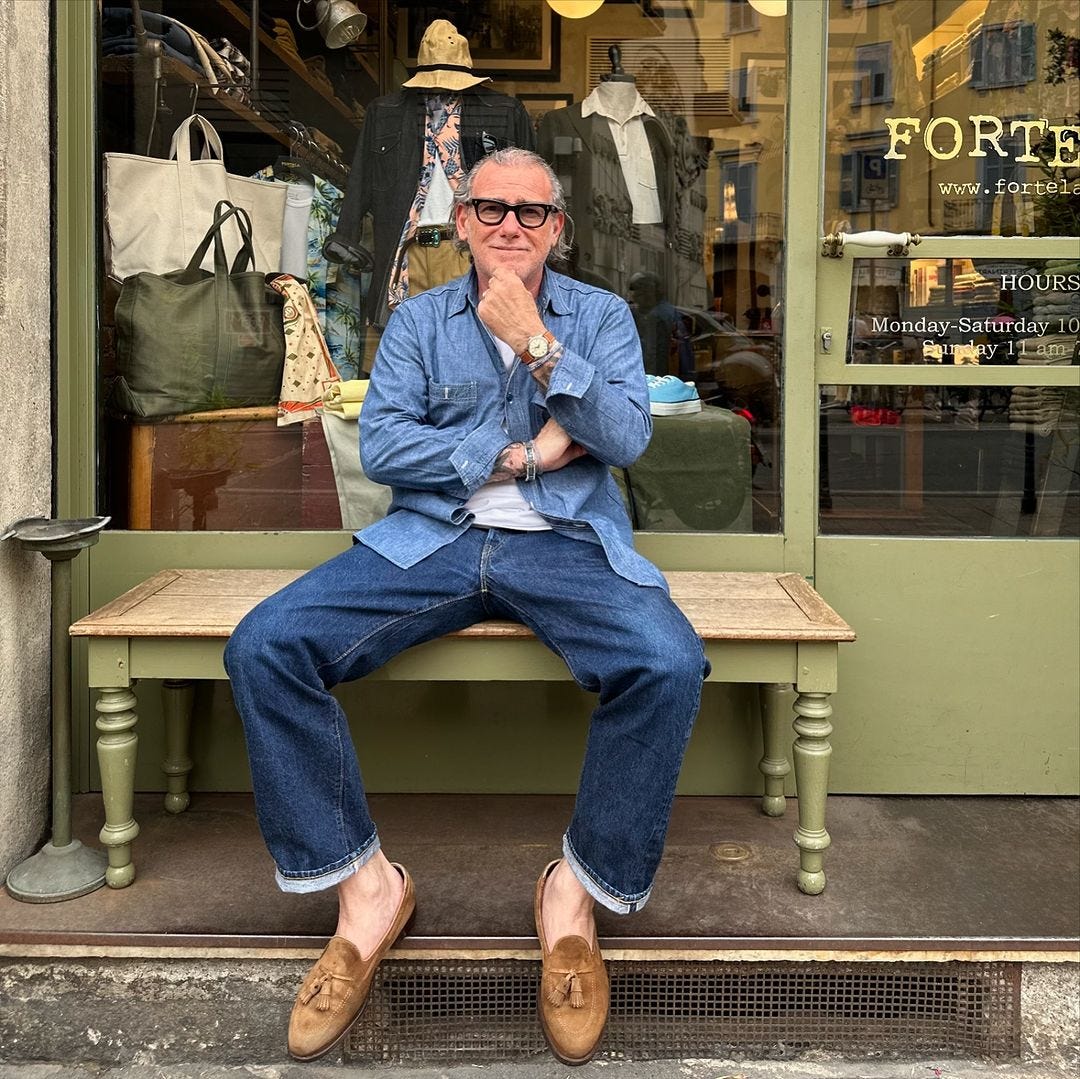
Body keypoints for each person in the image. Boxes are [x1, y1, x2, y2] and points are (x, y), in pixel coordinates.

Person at [223, 147, 709, 1066]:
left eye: (532, 213)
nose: (511, 227)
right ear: (463, 223)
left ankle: (571, 897)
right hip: (433, 541)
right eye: (491, 209)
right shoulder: (417, 323)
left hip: (569, 544)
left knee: (669, 660)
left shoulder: (599, 317)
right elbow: (386, 448)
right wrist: (519, 453)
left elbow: (628, 435)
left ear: (558, 229)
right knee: (266, 643)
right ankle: (369, 892)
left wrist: (537, 342)